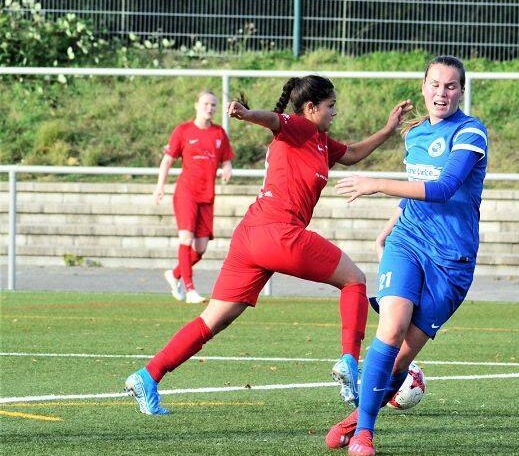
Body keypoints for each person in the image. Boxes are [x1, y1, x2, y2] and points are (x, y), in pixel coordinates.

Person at [125, 75, 413, 414]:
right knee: (354, 280)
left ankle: (148, 376)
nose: (334, 112)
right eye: (330, 105)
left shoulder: (320, 140)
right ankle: (349, 363)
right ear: (310, 108)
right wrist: (247, 115)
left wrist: (387, 129)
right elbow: (275, 120)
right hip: (279, 232)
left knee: (213, 320)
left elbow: (351, 154)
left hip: (252, 236)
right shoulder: (300, 127)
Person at [326, 55, 488, 456]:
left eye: (450, 86)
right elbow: (418, 185)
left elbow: (444, 188)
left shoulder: (471, 132)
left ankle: (356, 419)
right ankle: (365, 433)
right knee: (392, 326)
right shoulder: (414, 134)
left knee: (401, 358)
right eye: (435, 84)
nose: (441, 93)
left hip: (451, 260)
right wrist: (392, 220)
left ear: (461, 91)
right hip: (409, 241)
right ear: (423, 87)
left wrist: (377, 183)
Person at [155, 89, 234, 304]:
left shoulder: (219, 133)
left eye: (213, 105)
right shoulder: (183, 131)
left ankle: (174, 274)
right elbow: (167, 160)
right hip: (186, 193)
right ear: (196, 105)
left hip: (207, 195)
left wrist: (228, 168)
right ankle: (190, 290)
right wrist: (160, 186)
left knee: (200, 249)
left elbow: (226, 160)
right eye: (206, 104)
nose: (210, 108)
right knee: (185, 238)